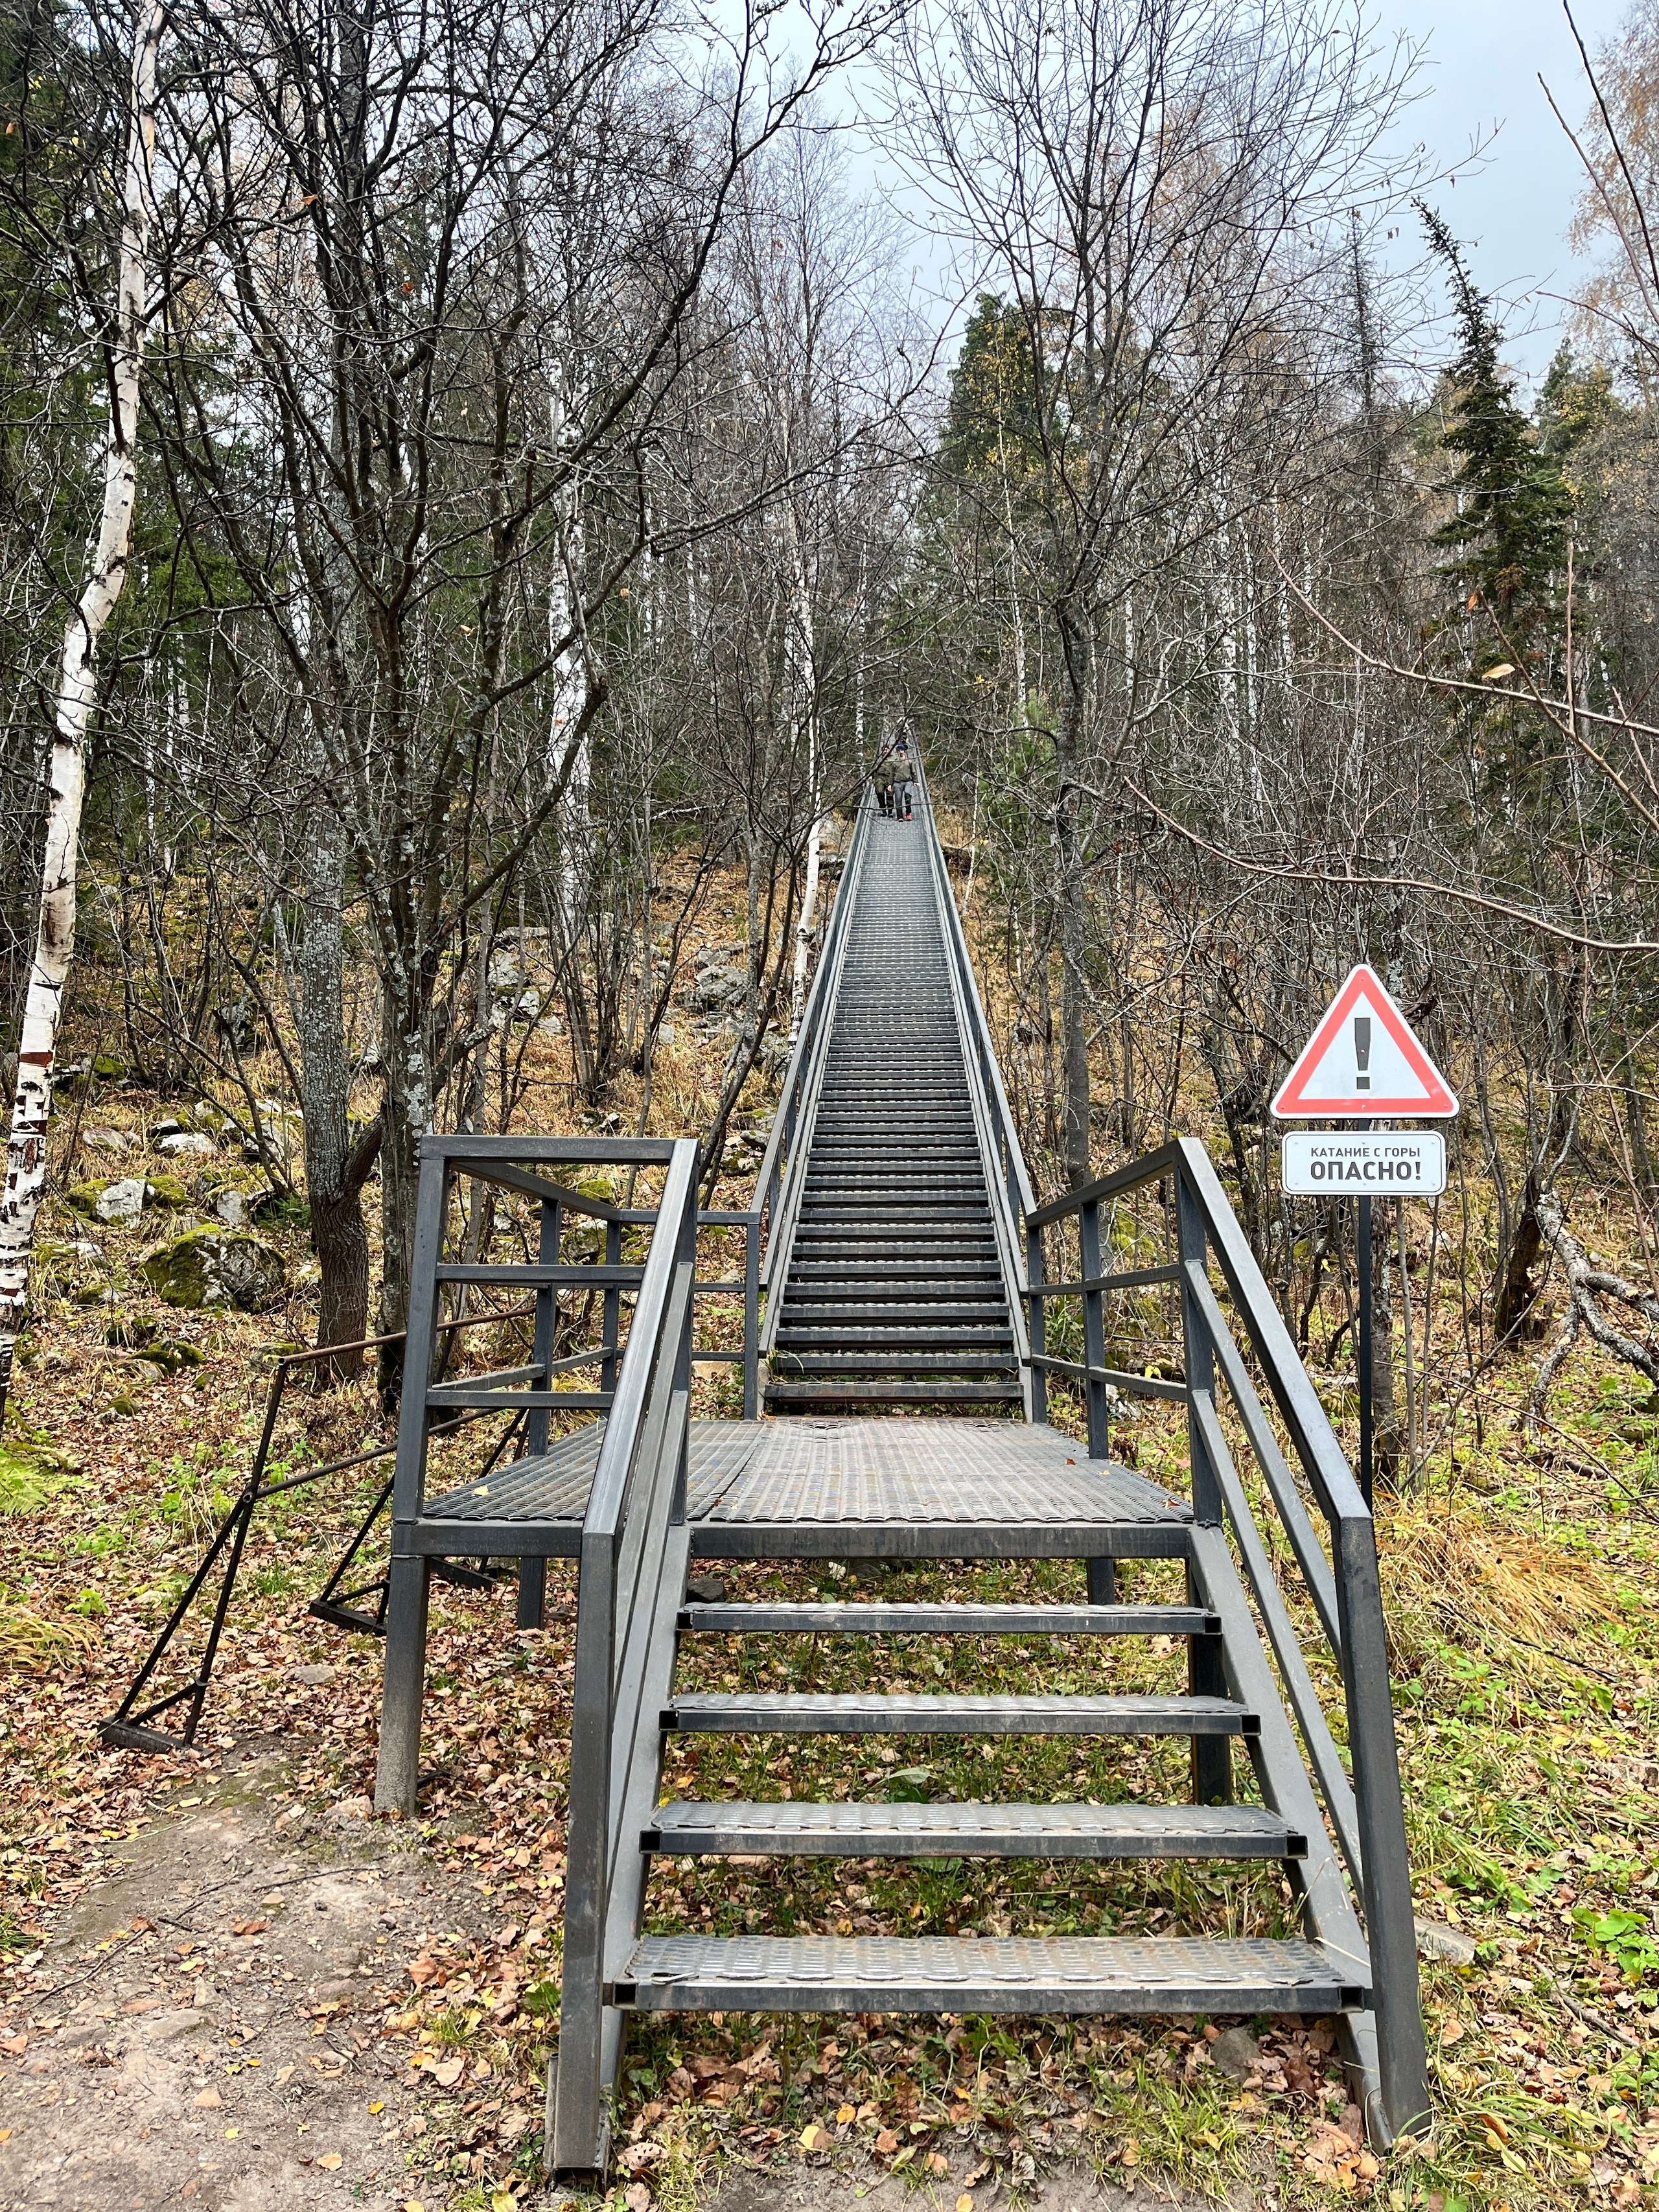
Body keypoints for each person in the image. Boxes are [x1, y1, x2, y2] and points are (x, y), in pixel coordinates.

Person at [894, 744, 914, 821]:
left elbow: (913, 772)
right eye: (899, 751)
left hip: (908, 782)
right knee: (898, 799)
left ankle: (908, 813)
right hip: (897, 783)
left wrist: (915, 781)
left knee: (907, 794)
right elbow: (892, 774)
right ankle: (900, 816)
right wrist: (890, 784)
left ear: (904, 751)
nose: (901, 752)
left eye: (902, 750)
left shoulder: (909, 762)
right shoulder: (895, 762)